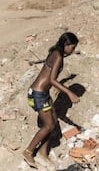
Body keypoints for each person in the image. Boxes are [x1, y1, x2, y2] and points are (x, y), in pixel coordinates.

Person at [23, 32, 80, 169]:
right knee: (48, 125)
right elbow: (52, 80)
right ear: (66, 45)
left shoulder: (56, 53)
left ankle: (43, 153)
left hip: (43, 94)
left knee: (53, 123)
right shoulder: (58, 56)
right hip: (38, 95)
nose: (72, 51)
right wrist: (69, 92)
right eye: (72, 48)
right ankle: (28, 151)